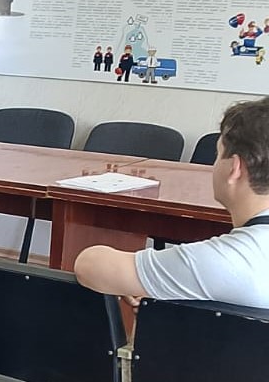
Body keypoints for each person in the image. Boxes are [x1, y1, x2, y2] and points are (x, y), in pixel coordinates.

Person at [75, 98, 269, 309]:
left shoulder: (225, 260)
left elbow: (89, 266)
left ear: (234, 168)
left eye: (218, 154)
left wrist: (143, 280)